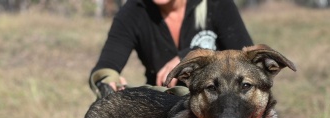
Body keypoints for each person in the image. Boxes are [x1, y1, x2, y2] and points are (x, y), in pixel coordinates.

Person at [89, 0, 253, 97]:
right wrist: (109, 82)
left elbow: (248, 62)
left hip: (219, 104)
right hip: (161, 107)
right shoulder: (133, 11)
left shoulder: (216, 4)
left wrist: (189, 56)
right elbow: (105, 67)